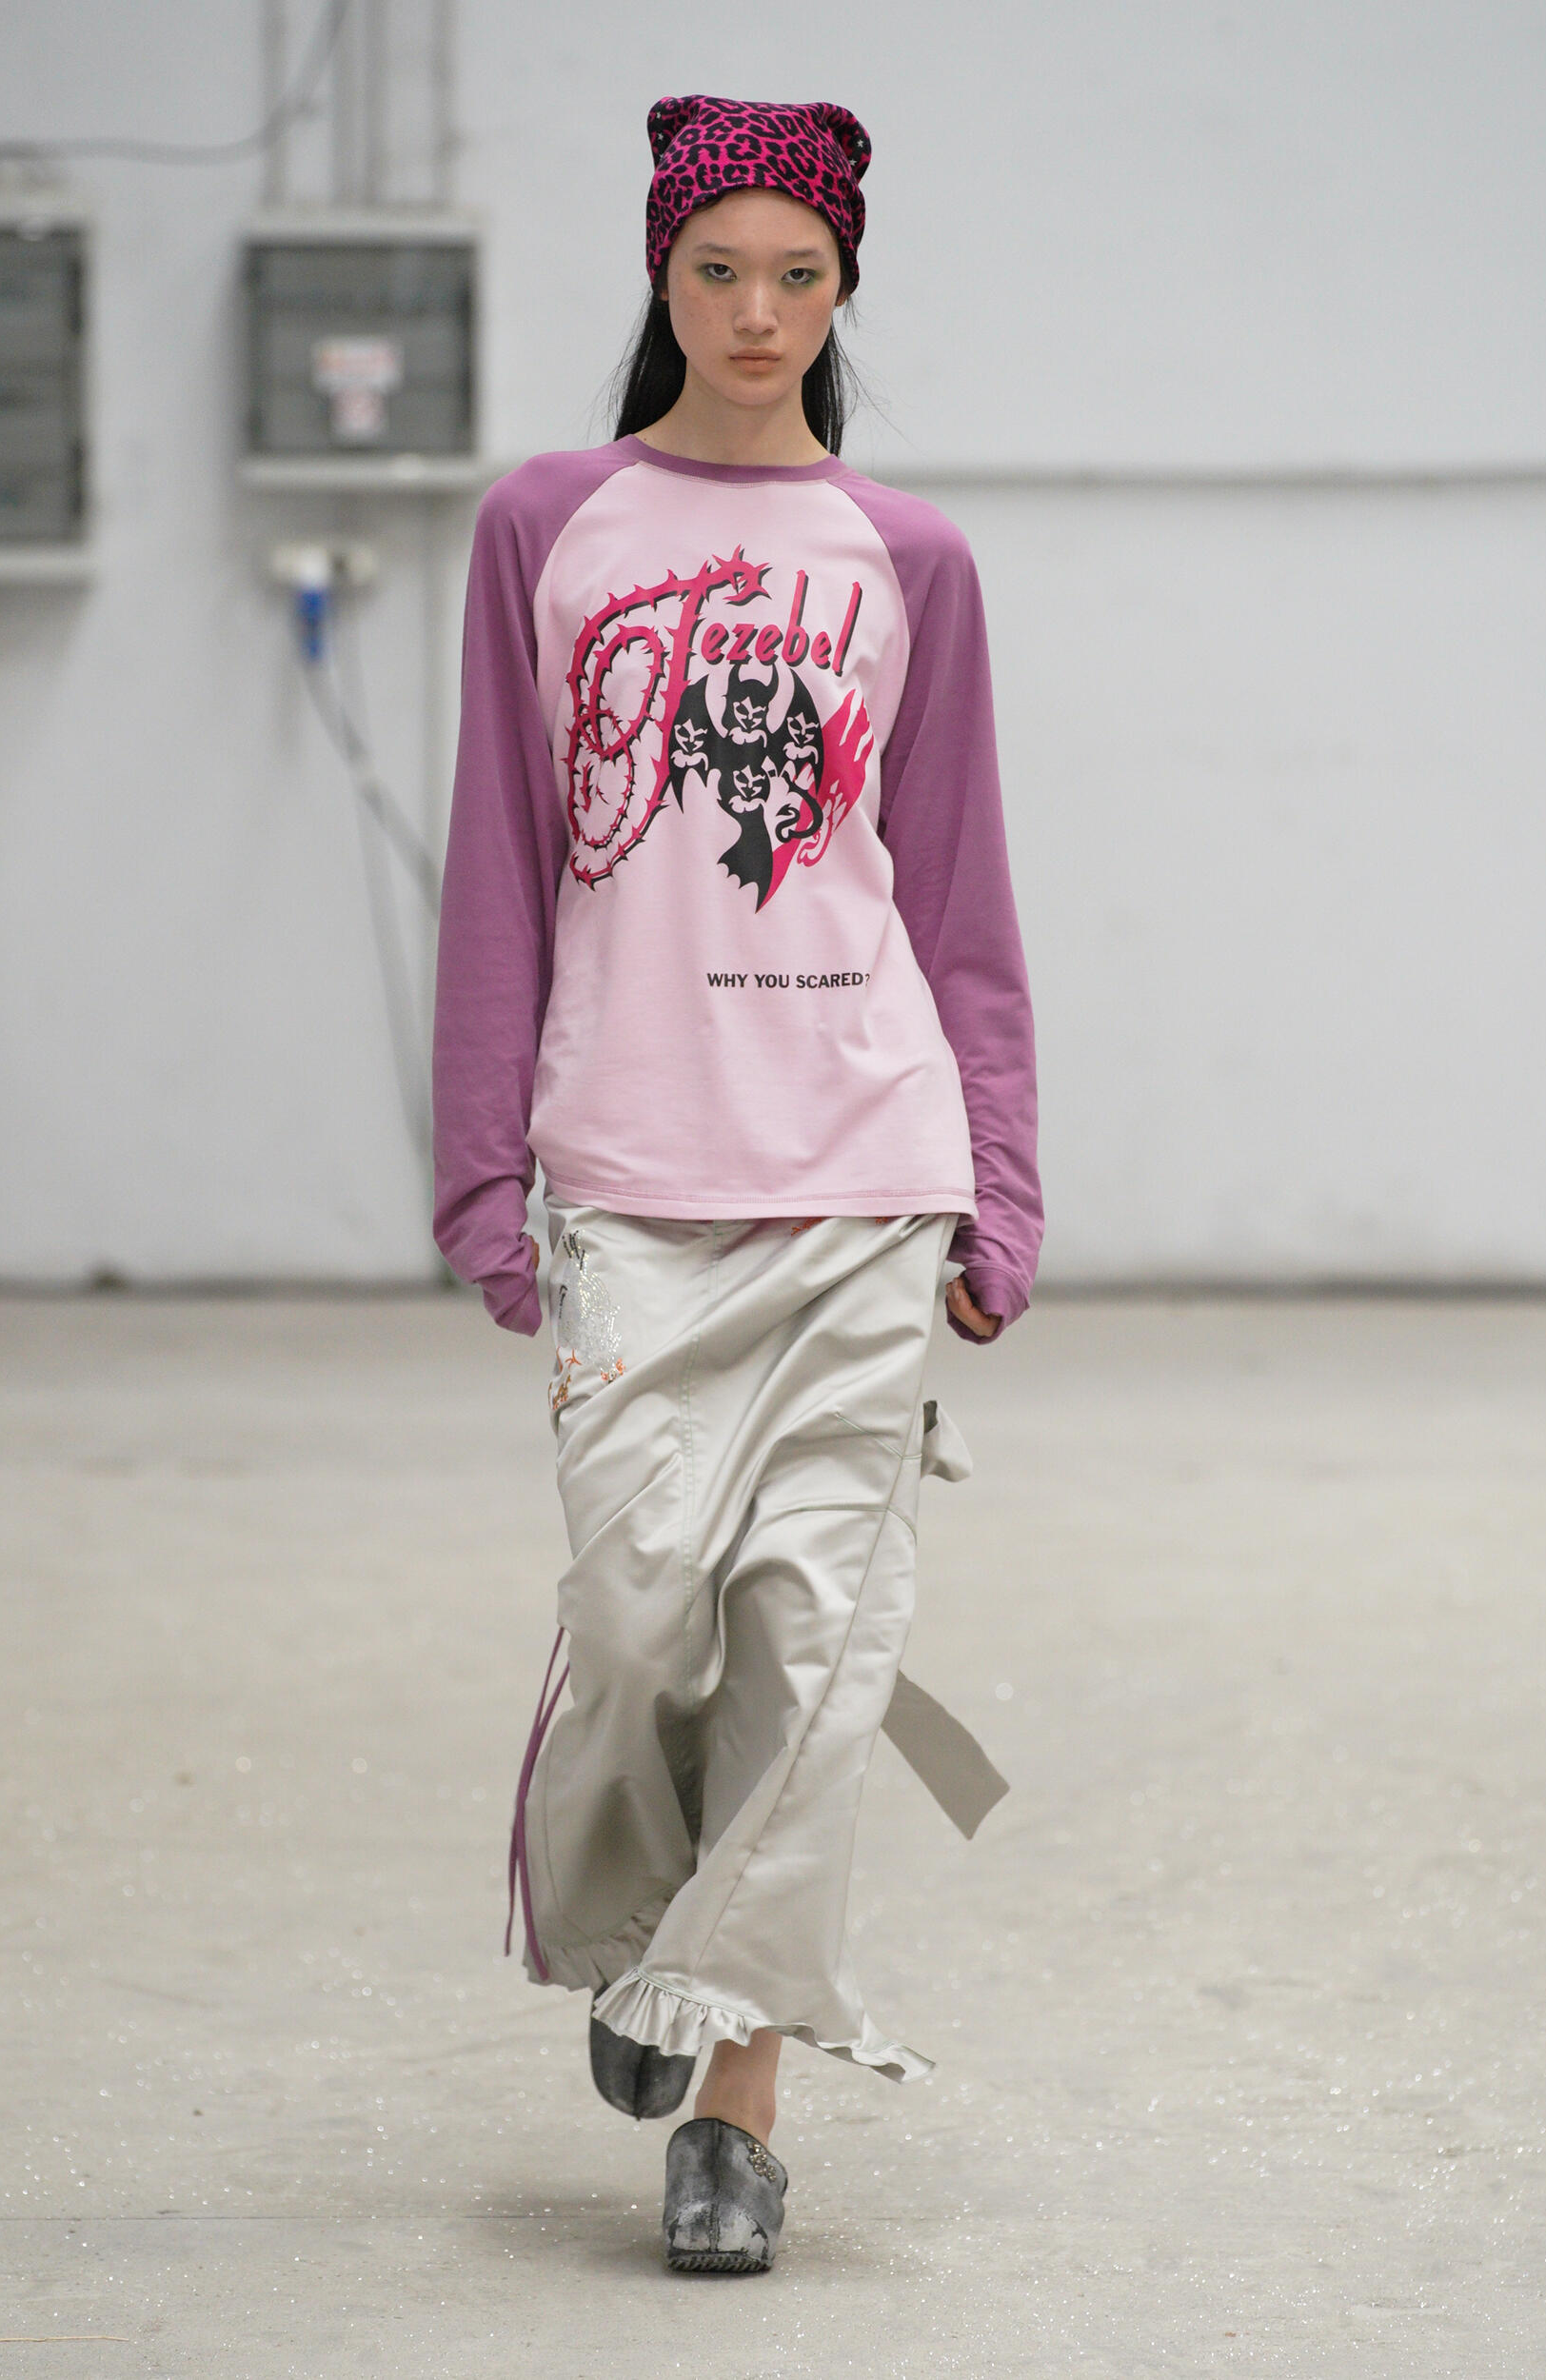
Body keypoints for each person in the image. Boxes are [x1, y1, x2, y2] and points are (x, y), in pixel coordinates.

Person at [432, 92, 1042, 2275]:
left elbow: (956, 895)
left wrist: (1001, 1182)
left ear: (843, 284)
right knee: (635, 1611)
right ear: (662, 275)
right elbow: (499, 865)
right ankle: (643, 1935)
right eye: (719, 270)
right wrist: (480, 1170)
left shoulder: (910, 557)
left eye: (798, 274)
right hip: (632, 1175)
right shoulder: (548, 524)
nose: (758, 312)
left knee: (813, 1648)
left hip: (864, 1171)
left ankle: (734, 2103)